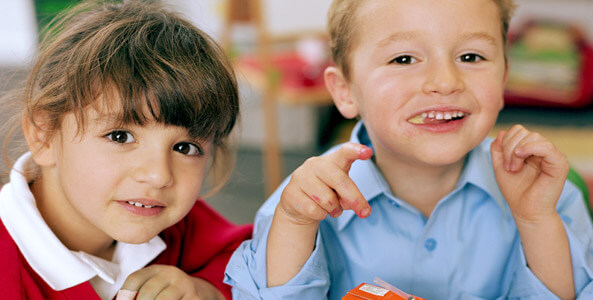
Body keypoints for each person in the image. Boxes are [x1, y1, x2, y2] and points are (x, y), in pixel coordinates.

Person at [224, 0, 593, 299]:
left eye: (471, 57)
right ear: (345, 92)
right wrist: (296, 226)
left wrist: (536, 222)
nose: (445, 81)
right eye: (403, 59)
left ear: (503, 78)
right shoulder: (297, 207)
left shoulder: (553, 202)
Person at [0, 1, 252, 299]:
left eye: (185, 147)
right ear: (43, 136)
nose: (159, 175)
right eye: (120, 136)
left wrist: (206, 290)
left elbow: (250, 260)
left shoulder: (166, 217)